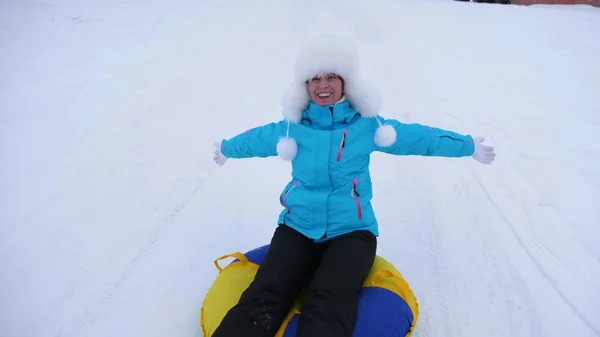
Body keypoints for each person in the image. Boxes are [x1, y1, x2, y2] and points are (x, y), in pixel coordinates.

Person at [210, 36, 495, 337]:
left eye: (332, 76)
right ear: (303, 85)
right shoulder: (292, 127)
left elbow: (419, 138)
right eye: (314, 78)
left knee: (329, 299)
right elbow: (255, 139)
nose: (323, 85)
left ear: (346, 82)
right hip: (298, 226)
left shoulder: (367, 125)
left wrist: (466, 145)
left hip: (352, 232)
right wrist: (228, 148)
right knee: (266, 293)